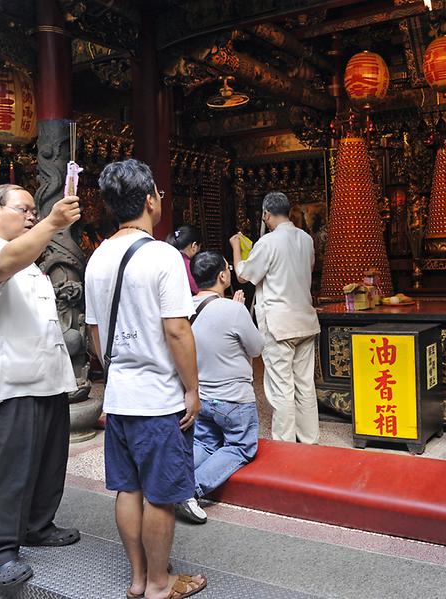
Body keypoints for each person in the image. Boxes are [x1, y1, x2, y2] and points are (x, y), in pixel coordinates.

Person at [84, 159, 206, 599]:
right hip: (158, 399)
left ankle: (138, 577)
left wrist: (121, 372)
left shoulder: (96, 258)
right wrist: (192, 390)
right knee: (160, 493)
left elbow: (97, 335)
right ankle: (159, 582)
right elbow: (177, 329)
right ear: (151, 199)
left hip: (119, 398)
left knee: (127, 488)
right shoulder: (163, 255)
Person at [0, 184, 82, 586]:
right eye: (23, 209)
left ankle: (38, 526)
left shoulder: (28, 260)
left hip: (45, 378)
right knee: (8, 469)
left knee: (48, 460)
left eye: (34, 211)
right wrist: (51, 222)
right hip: (8, 381)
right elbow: (5, 262)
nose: (30, 215)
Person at [176, 251, 264, 524]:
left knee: (206, 441)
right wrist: (237, 310)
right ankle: (191, 489)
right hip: (234, 399)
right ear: (223, 276)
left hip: (201, 397)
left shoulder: (182, 309)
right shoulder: (233, 309)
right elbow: (257, 347)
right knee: (241, 446)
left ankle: (175, 482)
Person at [229, 191, 320, 445]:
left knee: (281, 387)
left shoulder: (267, 243)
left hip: (279, 323)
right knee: (305, 384)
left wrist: (237, 248)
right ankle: (310, 441)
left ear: (266, 214)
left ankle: (286, 445)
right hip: (305, 320)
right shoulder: (306, 239)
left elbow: (243, 276)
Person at [165, 224, 203, 295]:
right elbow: (199, 292)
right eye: (199, 247)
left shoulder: (167, 260)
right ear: (194, 246)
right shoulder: (187, 266)